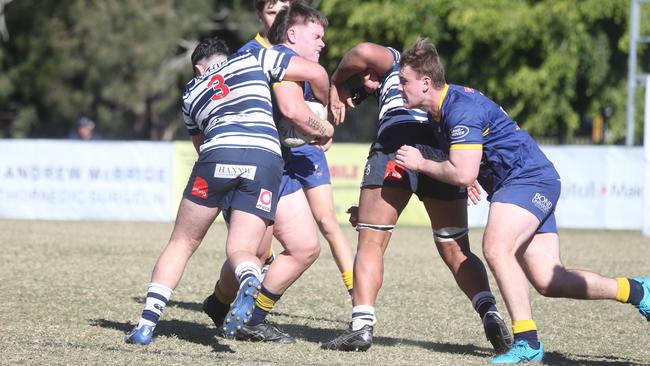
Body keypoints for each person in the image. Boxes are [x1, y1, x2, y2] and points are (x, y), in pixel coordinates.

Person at [394, 38, 650, 364]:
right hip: (526, 180)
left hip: (526, 180)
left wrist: (424, 164)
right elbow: (464, 164)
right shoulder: (444, 109)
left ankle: (527, 341)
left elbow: (460, 171)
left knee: (496, 247)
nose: (400, 87)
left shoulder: (461, 110)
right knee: (549, 280)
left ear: (425, 82)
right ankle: (637, 291)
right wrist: (461, 170)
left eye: (404, 81)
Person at [124, 36, 333, 345]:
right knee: (241, 250)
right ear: (226, 56)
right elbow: (315, 73)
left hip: (217, 155)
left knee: (181, 243)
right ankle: (249, 277)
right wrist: (324, 121)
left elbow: (200, 145)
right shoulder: (253, 59)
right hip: (264, 159)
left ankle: (145, 325)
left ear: (199, 67)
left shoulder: (191, 92)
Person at [321, 42, 512, 353]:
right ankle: (489, 310)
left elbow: (364, 51)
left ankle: (361, 327)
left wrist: (337, 81)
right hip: (439, 149)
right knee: (455, 246)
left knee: (371, 240)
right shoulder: (426, 88)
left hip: (395, 143)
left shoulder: (397, 63)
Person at [202, 0, 355, 342]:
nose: (322, 43)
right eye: (316, 36)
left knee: (303, 246)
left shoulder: (284, 59)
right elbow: (292, 109)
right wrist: (324, 128)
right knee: (256, 252)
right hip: (255, 164)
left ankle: (241, 312)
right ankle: (227, 306)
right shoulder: (280, 59)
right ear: (291, 33)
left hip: (277, 165)